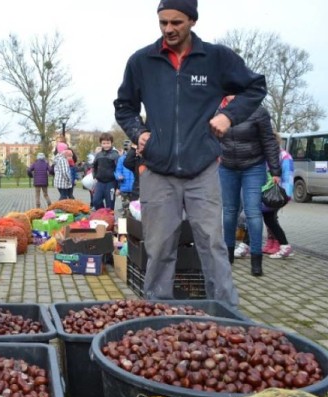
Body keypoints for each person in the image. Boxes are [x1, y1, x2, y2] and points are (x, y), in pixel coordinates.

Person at [114, 0, 267, 306]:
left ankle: (225, 314)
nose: (168, 29)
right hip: (158, 170)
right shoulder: (142, 61)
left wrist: (229, 115)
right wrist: (138, 131)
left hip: (203, 170)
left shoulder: (216, 58)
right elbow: (124, 106)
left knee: (212, 244)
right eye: (163, 23)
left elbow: (255, 86)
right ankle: (157, 313)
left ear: (192, 21)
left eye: (176, 23)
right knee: (159, 248)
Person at [218, 95, 281, 276]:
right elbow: (210, 136)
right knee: (229, 211)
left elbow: (269, 141)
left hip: (253, 167)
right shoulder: (217, 110)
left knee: (253, 212)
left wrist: (275, 171)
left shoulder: (258, 111)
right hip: (227, 167)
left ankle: (256, 259)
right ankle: (227, 255)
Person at [266, 142, 295, 259]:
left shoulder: (284, 156)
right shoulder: (269, 155)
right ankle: (281, 245)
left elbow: (288, 176)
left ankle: (284, 245)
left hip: (277, 195)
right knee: (268, 218)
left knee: (267, 218)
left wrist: (285, 196)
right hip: (269, 193)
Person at [91, 132, 119, 210]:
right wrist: (95, 176)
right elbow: (94, 166)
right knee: (96, 201)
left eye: (108, 143)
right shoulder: (98, 155)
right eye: (104, 143)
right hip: (100, 182)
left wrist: (118, 187)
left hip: (111, 183)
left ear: (111, 143)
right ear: (101, 144)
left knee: (110, 204)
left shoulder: (115, 155)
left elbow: (119, 170)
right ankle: (102, 214)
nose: (106, 145)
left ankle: (109, 219)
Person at [115, 141, 135, 215]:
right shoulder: (121, 159)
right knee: (125, 208)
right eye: (127, 148)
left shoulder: (137, 158)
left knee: (135, 209)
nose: (128, 150)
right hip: (124, 188)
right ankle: (125, 225)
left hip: (135, 188)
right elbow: (117, 171)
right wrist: (118, 176)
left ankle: (134, 225)